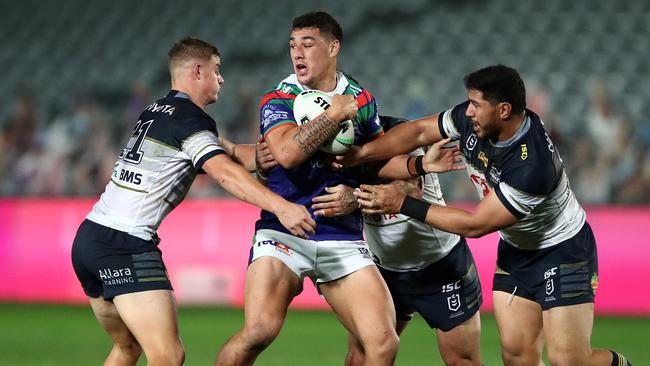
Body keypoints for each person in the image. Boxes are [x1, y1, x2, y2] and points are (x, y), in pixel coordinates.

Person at [342, 65, 632, 366]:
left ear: (503, 110)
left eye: (476, 105)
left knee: (568, 360)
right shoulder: (474, 122)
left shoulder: (532, 166)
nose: (468, 111)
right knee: (517, 356)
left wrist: (402, 204)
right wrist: (363, 154)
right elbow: (418, 131)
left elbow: (475, 224)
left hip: (562, 251)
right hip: (517, 251)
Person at [71, 37, 316, 366]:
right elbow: (224, 172)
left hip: (90, 238)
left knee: (128, 349)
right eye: (217, 70)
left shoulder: (158, 111)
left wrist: (282, 151)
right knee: (168, 355)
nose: (222, 79)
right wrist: (281, 206)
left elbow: (228, 153)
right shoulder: (191, 121)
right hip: (125, 243)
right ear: (198, 71)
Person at [215, 12, 400, 366]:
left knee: (382, 343)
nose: (297, 53)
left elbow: (375, 162)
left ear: (333, 47)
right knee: (259, 331)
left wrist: (415, 167)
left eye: (308, 44)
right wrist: (333, 114)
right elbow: (286, 153)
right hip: (283, 230)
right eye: (292, 45)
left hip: (341, 236)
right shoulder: (279, 98)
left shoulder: (361, 100)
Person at [311, 115, 484, 366]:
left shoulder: (399, 135)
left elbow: (410, 189)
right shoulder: (343, 147)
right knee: (360, 356)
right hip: (384, 270)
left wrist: (355, 198)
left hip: (440, 265)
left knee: (461, 360)